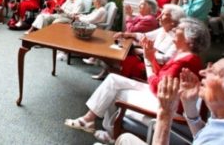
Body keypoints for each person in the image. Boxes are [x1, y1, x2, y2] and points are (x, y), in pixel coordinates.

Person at [64, 18, 210, 144]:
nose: (174, 29)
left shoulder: (187, 60)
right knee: (113, 80)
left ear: (189, 39)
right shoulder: (182, 55)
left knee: (117, 91)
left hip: (170, 107)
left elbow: (159, 88)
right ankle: (93, 121)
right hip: (165, 98)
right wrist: (151, 57)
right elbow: (161, 77)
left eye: (179, 29)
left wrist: (147, 59)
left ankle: (108, 131)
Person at [115, 52, 224, 145]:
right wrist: (189, 104)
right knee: (125, 139)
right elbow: (204, 136)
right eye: (209, 67)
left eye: (214, 72)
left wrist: (165, 115)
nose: (202, 72)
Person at [113, 4, 186, 79]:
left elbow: (167, 59)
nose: (158, 17)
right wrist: (125, 34)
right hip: (148, 60)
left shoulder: (178, 38)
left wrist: (144, 51)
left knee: (128, 60)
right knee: (125, 56)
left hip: (158, 69)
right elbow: (145, 36)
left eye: (163, 15)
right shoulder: (163, 30)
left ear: (173, 21)